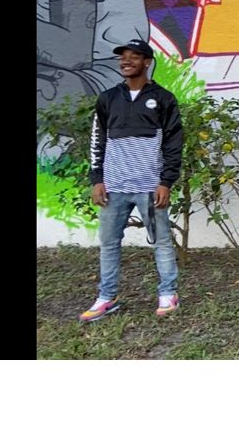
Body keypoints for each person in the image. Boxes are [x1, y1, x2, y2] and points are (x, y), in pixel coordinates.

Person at [80, 39, 183, 322]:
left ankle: (168, 294)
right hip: (113, 187)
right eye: (122, 57)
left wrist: (166, 182)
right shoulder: (108, 98)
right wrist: (97, 179)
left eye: (134, 57)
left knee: (161, 242)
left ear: (147, 62)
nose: (126, 61)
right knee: (109, 244)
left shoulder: (163, 98)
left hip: (150, 187)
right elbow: (97, 140)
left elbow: (174, 143)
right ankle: (107, 297)